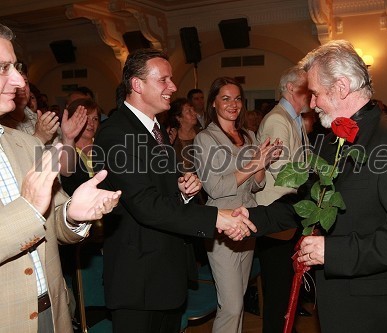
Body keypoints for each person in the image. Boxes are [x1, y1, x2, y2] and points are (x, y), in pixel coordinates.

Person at [92, 49, 266, 333]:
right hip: (140, 277)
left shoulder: (154, 129)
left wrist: (183, 190)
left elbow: (159, 188)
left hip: (164, 270)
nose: (173, 87)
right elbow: (144, 204)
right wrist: (213, 217)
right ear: (137, 85)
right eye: (164, 80)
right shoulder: (117, 133)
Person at [295, 40, 387, 333]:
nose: (312, 103)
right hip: (341, 303)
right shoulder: (331, 137)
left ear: (341, 87)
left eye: (315, 93)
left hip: (380, 313)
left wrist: (332, 252)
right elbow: (315, 202)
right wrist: (249, 217)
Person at [0, 23, 121, 332]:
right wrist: (28, 210)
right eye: (3, 68)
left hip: (53, 310)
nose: (18, 80)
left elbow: (53, 220)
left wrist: (71, 215)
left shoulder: (26, 144)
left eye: (16, 67)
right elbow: (30, 215)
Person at [193, 76, 280, 333]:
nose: (233, 104)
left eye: (237, 98)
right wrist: (254, 163)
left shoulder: (249, 135)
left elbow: (256, 185)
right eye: (226, 98)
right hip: (222, 225)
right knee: (230, 306)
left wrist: (262, 163)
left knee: (238, 302)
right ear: (213, 103)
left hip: (247, 221)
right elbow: (215, 188)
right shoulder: (205, 139)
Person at [255, 65, 310, 333]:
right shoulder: (278, 119)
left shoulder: (293, 119)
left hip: (287, 212)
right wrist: (313, 180)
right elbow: (280, 168)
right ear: (289, 88)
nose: (310, 92)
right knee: (277, 288)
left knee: (287, 284)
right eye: (305, 86)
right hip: (275, 213)